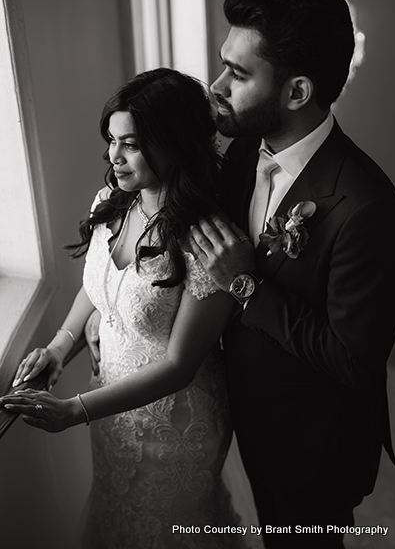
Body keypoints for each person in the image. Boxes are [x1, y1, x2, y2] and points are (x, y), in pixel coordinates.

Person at [188, 0, 395, 549]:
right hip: (248, 419)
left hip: (315, 444)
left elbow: (354, 362)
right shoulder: (239, 155)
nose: (217, 85)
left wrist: (246, 286)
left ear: (297, 92)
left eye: (237, 75)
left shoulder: (366, 206)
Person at [0, 68, 248, 549]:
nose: (114, 157)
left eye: (130, 144)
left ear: (174, 143)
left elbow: (179, 366)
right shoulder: (115, 204)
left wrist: (74, 410)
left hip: (175, 428)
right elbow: (97, 290)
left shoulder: (208, 242)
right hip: (111, 413)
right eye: (111, 140)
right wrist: (58, 347)